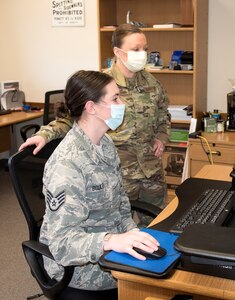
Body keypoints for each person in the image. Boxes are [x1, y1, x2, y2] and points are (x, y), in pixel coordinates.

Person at [20, 24, 171, 225]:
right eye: (136, 49)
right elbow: (71, 117)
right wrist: (44, 135)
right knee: (114, 223)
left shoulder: (152, 82)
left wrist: (161, 137)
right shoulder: (102, 85)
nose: (142, 54)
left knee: (157, 224)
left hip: (150, 166)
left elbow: (163, 114)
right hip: (116, 170)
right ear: (118, 52)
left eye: (145, 49)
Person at [39, 70, 160, 299]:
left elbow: (120, 205)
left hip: (112, 248)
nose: (122, 104)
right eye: (115, 99)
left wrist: (133, 233)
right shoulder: (67, 165)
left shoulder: (104, 144)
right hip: (81, 269)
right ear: (91, 107)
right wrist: (113, 241)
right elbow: (62, 244)